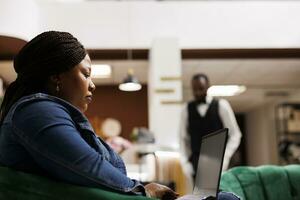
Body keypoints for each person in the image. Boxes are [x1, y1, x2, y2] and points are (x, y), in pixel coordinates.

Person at [0, 31, 178, 200]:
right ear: (56, 77)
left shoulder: (42, 111)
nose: (92, 85)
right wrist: (143, 191)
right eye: (86, 75)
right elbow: (88, 167)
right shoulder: (36, 111)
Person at [180, 73, 242, 180]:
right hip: (197, 163)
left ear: (208, 86)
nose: (198, 92)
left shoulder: (222, 105)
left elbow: (235, 134)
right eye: (195, 89)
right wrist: (185, 162)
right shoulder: (186, 109)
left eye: (201, 88)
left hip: (219, 162)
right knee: (201, 196)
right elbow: (183, 138)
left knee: (221, 194)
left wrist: (226, 157)